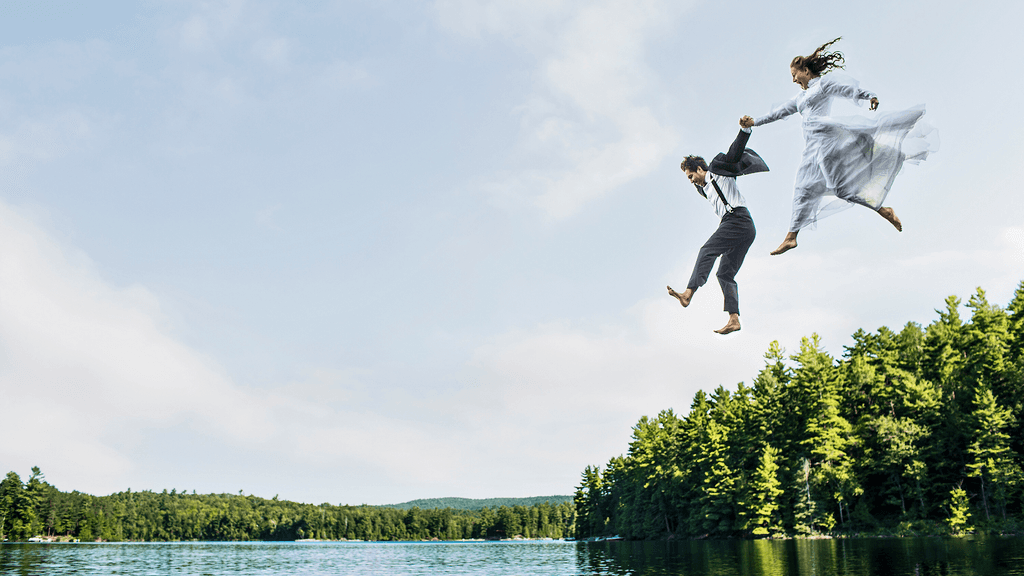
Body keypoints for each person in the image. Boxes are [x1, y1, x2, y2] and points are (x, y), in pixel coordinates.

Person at [741, 37, 934, 255]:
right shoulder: (799, 98)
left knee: (841, 188)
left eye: (795, 75)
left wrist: (869, 96)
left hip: (828, 142)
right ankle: (791, 236)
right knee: (802, 187)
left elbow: (846, 89)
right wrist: (754, 122)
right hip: (811, 149)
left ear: (805, 70)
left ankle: (883, 210)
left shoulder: (822, 85)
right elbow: (778, 113)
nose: (794, 80)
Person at [668, 119, 767, 334]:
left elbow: (734, 152)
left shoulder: (718, 172)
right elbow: (704, 189)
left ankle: (688, 293)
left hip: (737, 220)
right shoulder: (705, 190)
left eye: (691, 175)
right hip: (742, 228)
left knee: (707, 251)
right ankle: (734, 319)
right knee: (724, 273)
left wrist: (744, 130)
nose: (692, 181)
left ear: (701, 168)